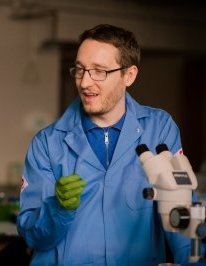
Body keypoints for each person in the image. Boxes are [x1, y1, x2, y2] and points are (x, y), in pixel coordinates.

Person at [17, 24, 201, 265]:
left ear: (129, 75)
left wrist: (194, 260)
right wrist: (57, 209)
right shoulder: (48, 143)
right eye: (80, 69)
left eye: (99, 71)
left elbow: (180, 208)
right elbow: (32, 237)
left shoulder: (159, 129)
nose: (84, 82)